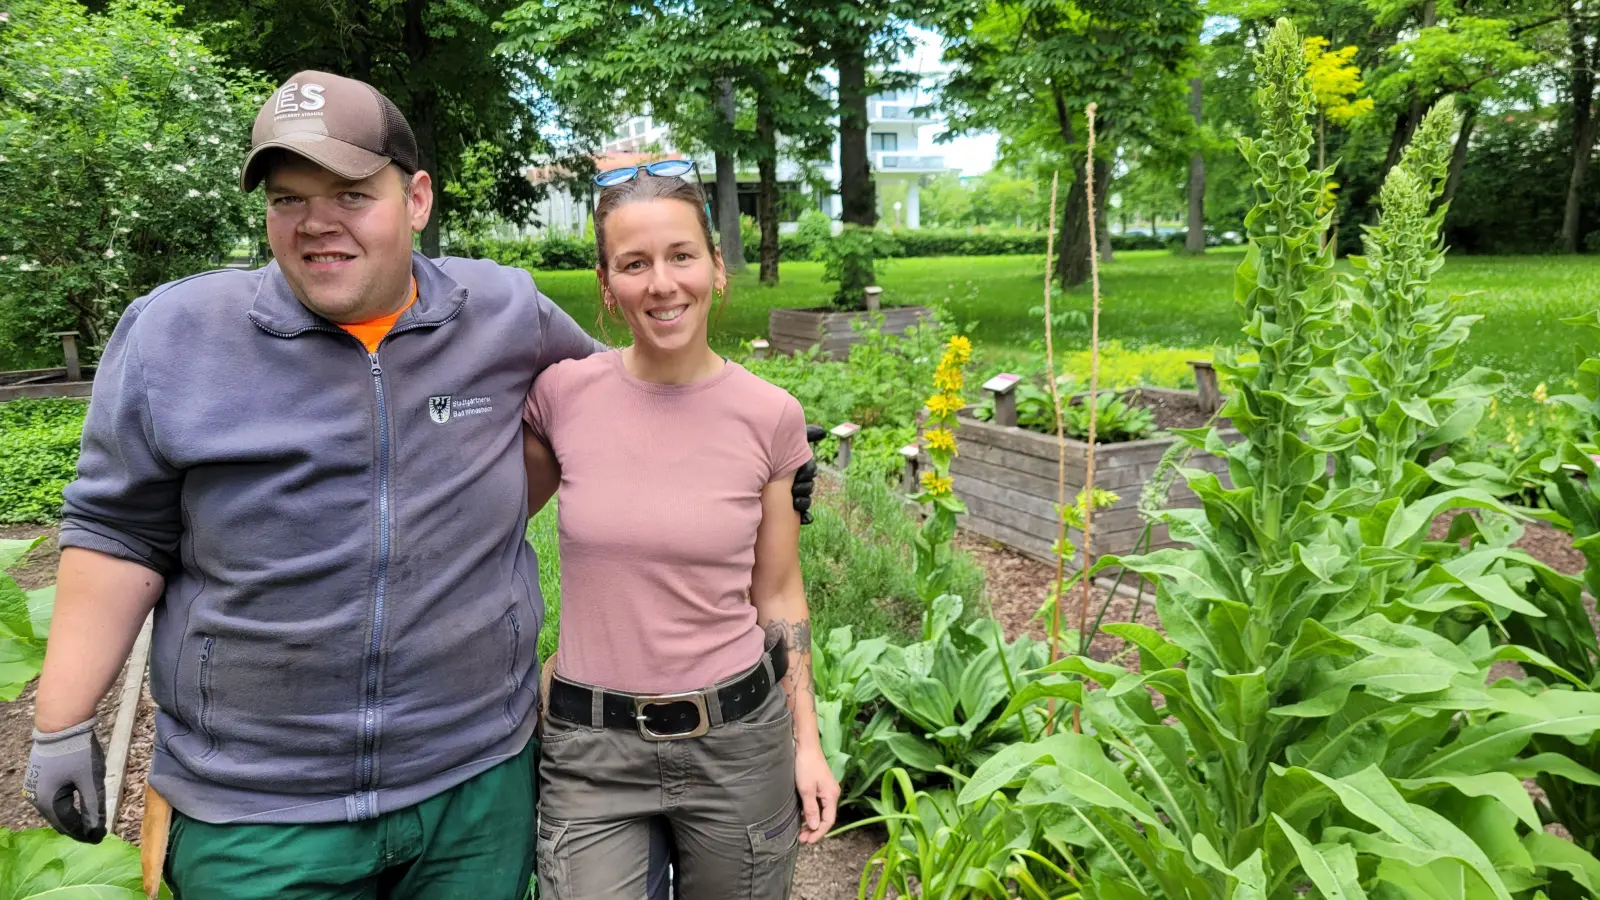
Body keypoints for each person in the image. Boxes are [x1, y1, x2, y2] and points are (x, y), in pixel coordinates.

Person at [22, 71, 815, 898]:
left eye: (352, 195)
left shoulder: (502, 312)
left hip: (473, 784)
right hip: (259, 805)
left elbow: (635, 384)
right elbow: (117, 534)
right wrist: (62, 721)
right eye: (289, 199)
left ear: (418, 198)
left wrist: (765, 457)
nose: (318, 224)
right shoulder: (176, 337)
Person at [522, 165, 840, 900]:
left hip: (736, 745)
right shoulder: (562, 397)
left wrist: (808, 744)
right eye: (635, 264)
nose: (662, 283)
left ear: (716, 268)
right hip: (591, 752)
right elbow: (484, 528)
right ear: (608, 285)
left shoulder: (770, 416)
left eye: (681, 256)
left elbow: (781, 593)